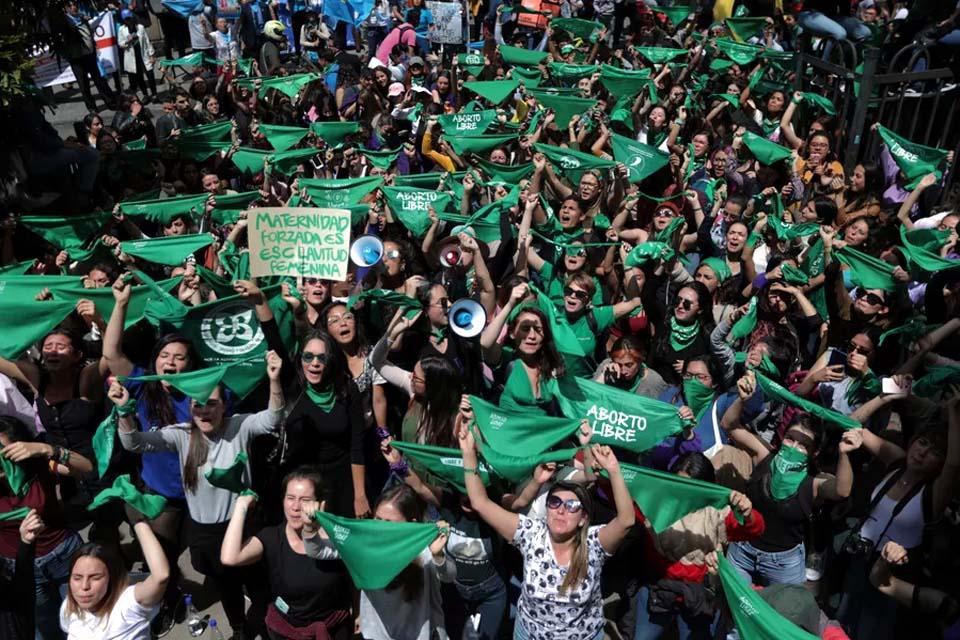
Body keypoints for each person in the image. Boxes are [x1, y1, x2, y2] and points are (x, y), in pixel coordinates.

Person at [113, 351, 284, 637]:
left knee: (259, 586)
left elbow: (272, 420)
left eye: (211, 403)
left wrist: (274, 380)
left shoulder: (239, 425)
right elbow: (134, 443)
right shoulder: (181, 434)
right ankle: (239, 629)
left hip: (244, 526)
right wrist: (123, 411)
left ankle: (265, 628)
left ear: (224, 405)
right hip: (205, 532)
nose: (204, 411)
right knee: (226, 587)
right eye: (197, 405)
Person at [458, 415, 636, 640]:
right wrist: (468, 454)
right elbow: (480, 503)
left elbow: (626, 520)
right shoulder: (530, 534)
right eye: (554, 502)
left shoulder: (593, 543)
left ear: (583, 518)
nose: (561, 509)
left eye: (572, 505)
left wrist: (614, 470)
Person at [302, 484, 454, 640]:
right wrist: (309, 528)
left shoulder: (424, 547)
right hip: (375, 636)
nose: (381, 527)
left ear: (411, 523)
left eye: (389, 522)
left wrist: (438, 555)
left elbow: (448, 576)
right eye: (378, 519)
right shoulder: (365, 545)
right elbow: (317, 551)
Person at [220, 467, 353, 639]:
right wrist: (241, 505)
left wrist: (357, 611)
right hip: (286, 631)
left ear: (320, 504)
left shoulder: (335, 539)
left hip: (332, 629)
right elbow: (230, 557)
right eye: (290, 498)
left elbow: (353, 578)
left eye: (305, 499)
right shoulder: (271, 537)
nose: (295, 507)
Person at [59, 512, 169, 638]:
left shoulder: (128, 603)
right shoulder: (69, 606)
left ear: (111, 577)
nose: (84, 586)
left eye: (95, 577)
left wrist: (138, 522)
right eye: (77, 578)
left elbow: (161, 576)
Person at [59, 0, 117, 112]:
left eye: (75, 4)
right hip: (76, 58)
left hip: (89, 55)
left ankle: (111, 102)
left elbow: (89, 33)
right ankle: (92, 109)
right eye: (70, 6)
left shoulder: (82, 18)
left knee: (99, 80)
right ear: (66, 8)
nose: (73, 7)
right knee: (83, 84)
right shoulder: (65, 21)